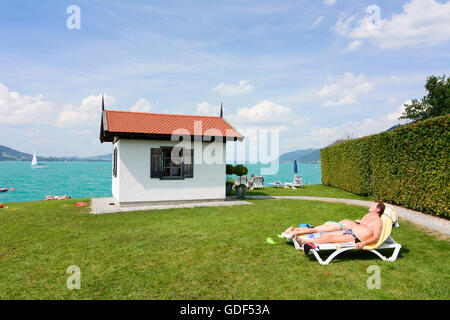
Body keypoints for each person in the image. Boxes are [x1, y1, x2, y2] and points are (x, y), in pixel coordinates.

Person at [284, 202, 385, 250]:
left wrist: (363, 243)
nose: (370, 205)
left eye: (373, 205)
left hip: (357, 238)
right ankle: (305, 240)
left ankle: (304, 242)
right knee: (327, 233)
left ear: (378, 210)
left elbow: (376, 237)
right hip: (350, 231)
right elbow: (361, 225)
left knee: (330, 237)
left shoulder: (378, 222)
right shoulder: (367, 215)